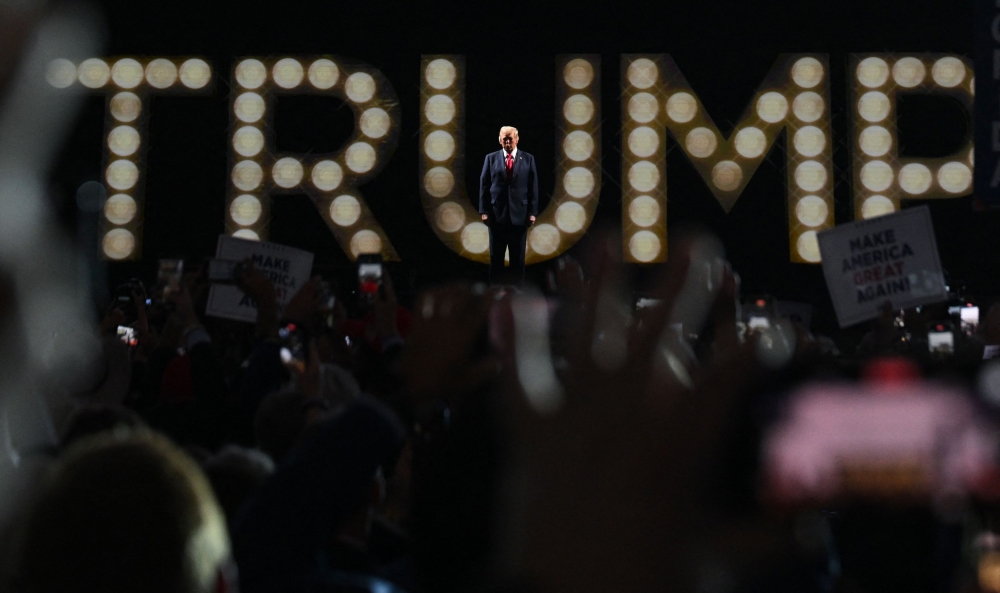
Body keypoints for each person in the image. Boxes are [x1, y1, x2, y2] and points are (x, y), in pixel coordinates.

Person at [479, 126, 539, 285]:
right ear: (499, 139)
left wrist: (532, 212)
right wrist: (484, 211)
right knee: (496, 259)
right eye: (504, 138)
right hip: (496, 216)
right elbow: (484, 186)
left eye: (510, 138)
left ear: (517, 139)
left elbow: (533, 187)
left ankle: (517, 295)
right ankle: (495, 295)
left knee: (518, 260)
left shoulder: (528, 159)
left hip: (520, 217)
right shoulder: (490, 159)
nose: (507, 141)